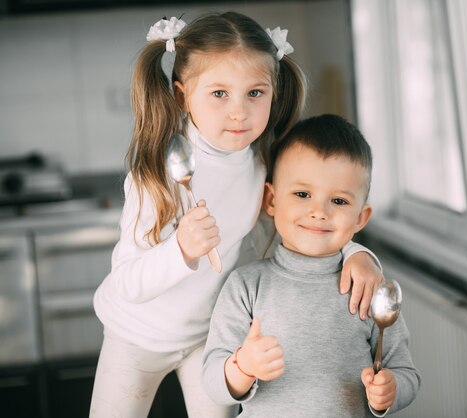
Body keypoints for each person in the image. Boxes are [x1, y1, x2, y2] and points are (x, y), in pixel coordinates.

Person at [90, 13, 383, 418]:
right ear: (181, 97)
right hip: (135, 336)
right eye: (219, 94)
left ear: (273, 95)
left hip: (209, 338)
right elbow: (126, 285)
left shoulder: (263, 163)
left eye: (255, 93)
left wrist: (355, 252)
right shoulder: (159, 174)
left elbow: (302, 219)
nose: (239, 112)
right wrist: (180, 250)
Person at [203, 114, 420, 417]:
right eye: (302, 194)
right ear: (272, 200)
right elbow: (212, 382)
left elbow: (405, 371)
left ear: (361, 217)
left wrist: (392, 388)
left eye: (339, 201)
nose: (319, 212)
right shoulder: (246, 285)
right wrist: (243, 365)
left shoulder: (369, 288)